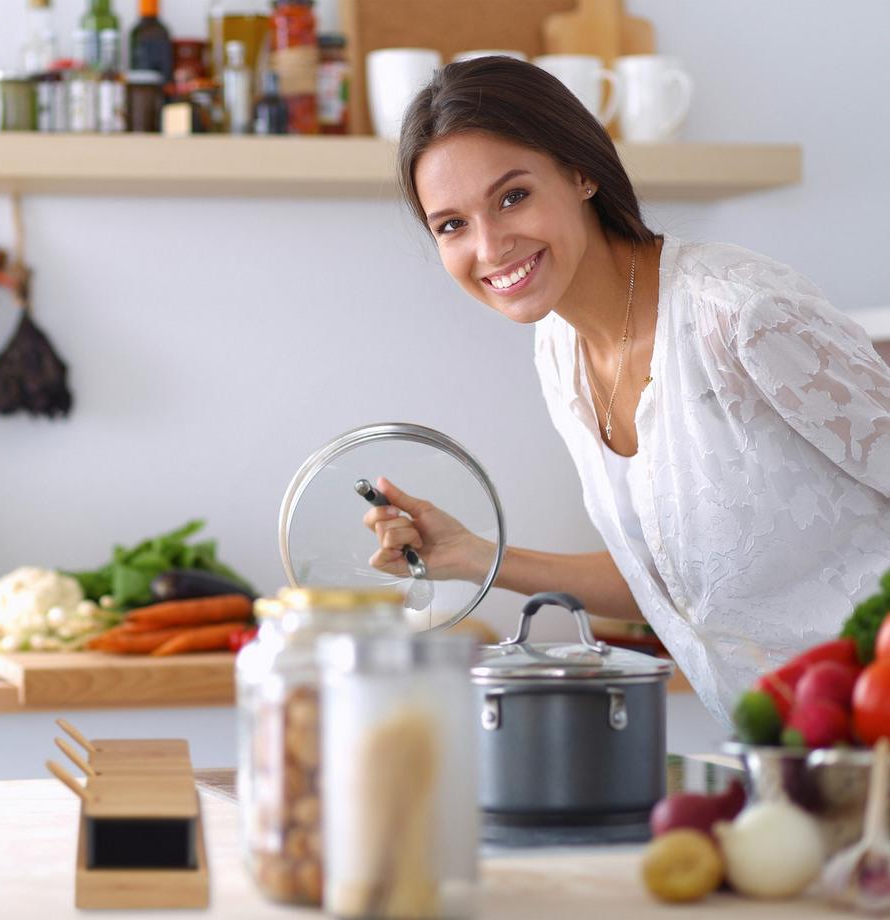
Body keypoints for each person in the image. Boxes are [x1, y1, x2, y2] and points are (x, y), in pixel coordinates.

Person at [361, 56, 890, 726]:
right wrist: (469, 556)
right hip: (791, 759)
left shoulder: (741, 315)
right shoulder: (559, 351)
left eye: (512, 195)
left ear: (581, 172)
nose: (490, 246)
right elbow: (671, 585)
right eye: (452, 224)